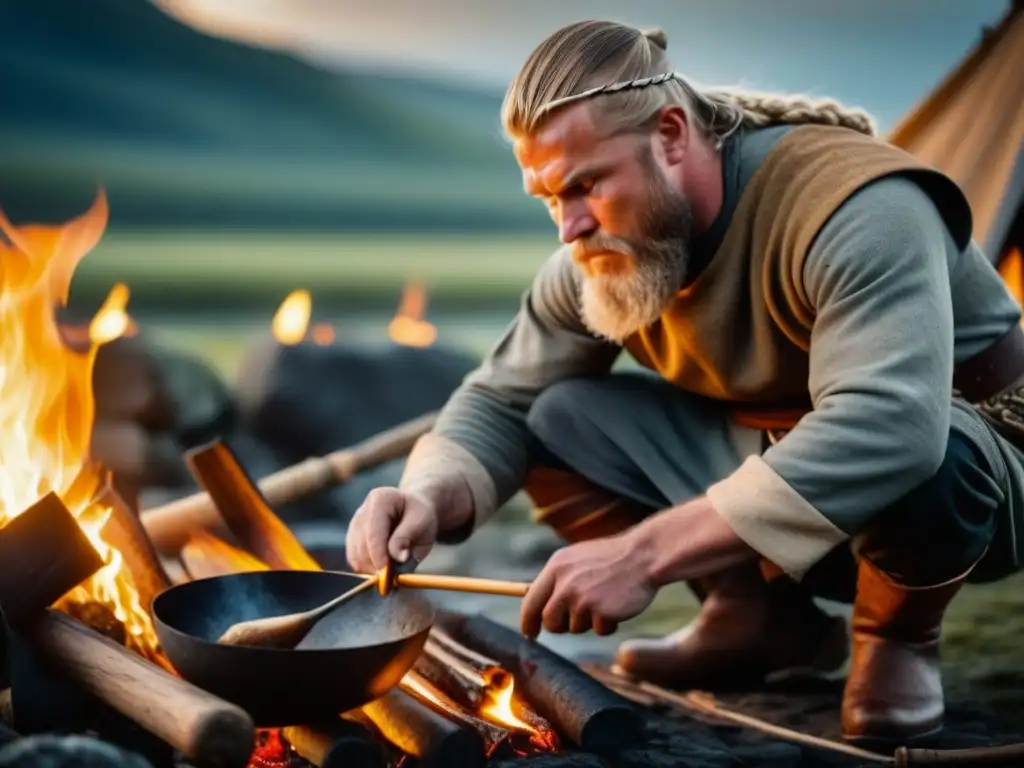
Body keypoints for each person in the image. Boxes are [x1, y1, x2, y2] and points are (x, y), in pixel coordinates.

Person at [345, 20, 1024, 747]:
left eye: (586, 185)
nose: (568, 227)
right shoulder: (599, 250)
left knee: (929, 450)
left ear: (671, 135)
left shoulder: (859, 208)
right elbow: (499, 399)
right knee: (559, 412)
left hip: (978, 469)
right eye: (548, 197)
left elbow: (893, 425)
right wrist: (425, 493)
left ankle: (897, 638)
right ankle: (756, 620)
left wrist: (642, 555)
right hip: (775, 450)